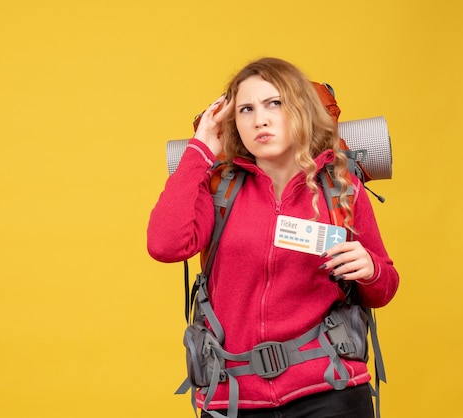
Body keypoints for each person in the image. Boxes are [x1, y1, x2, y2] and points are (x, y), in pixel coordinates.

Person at [147, 57, 399, 418]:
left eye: (274, 103)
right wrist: (201, 147)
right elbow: (165, 246)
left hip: (330, 388)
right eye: (245, 109)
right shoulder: (219, 191)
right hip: (234, 398)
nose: (259, 119)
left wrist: (370, 268)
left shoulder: (341, 189)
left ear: (301, 110)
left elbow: (385, 288)